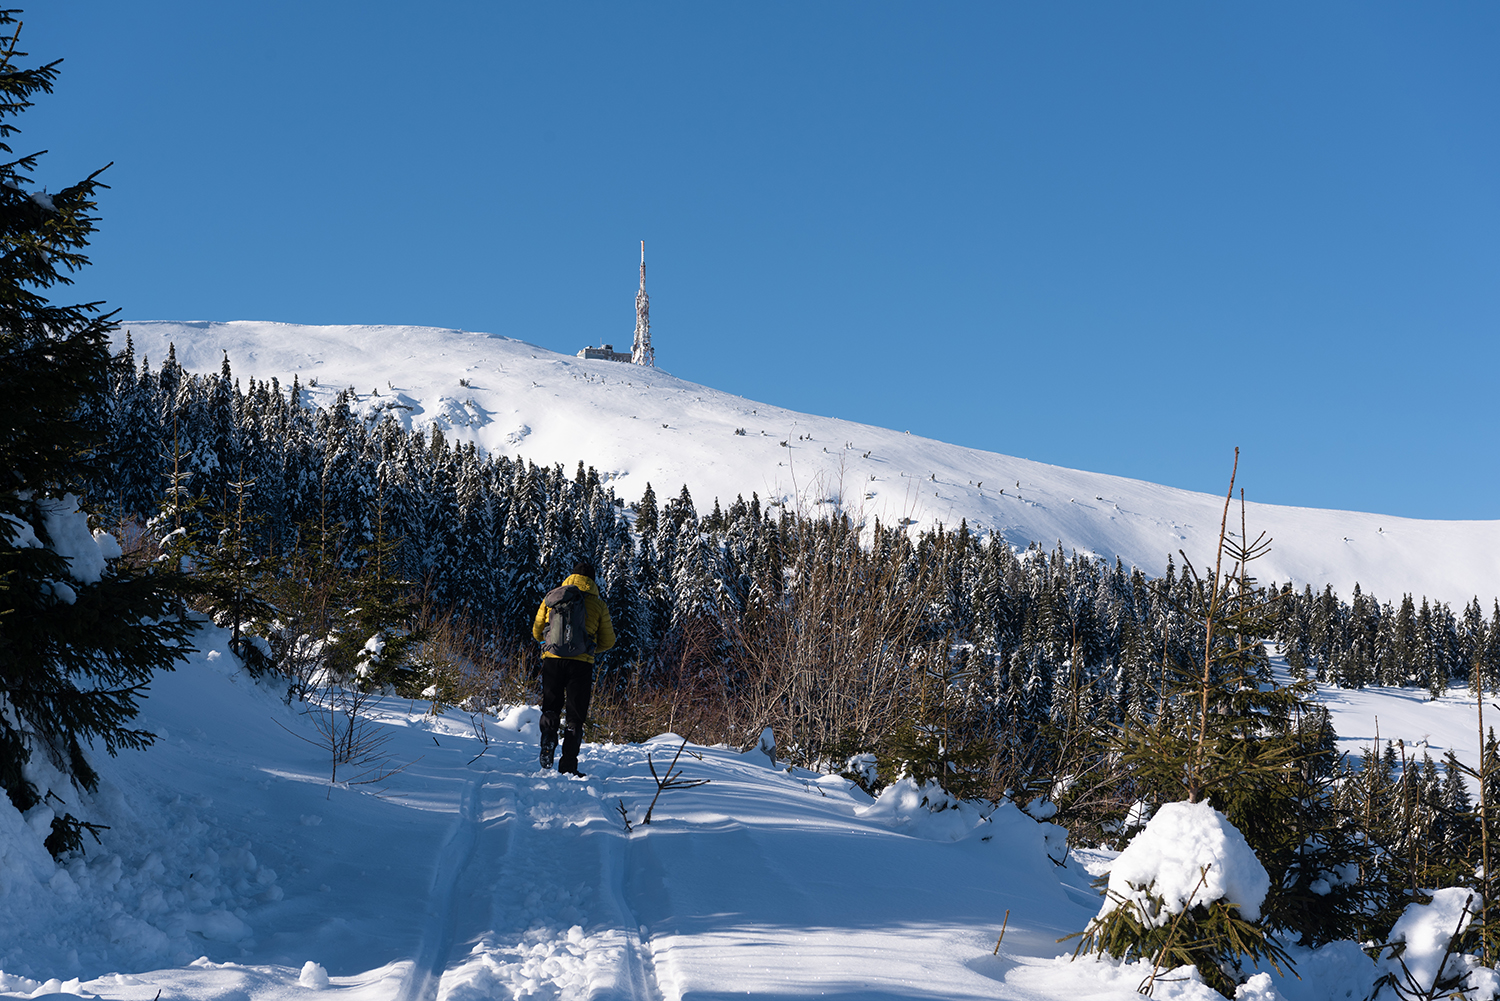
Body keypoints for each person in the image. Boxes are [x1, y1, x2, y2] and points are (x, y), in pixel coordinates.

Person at [531, 558, 615, 775]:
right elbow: (609, 641)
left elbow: (537, 629)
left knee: (551, 706)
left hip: (552, 659)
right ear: (593, 581)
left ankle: (548, 739)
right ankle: (568, 765)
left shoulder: (554, 597)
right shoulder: (598, 604)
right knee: (575, 715)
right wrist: (587, 649)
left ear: (572, 576)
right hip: (581, 665)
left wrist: (548, 643)